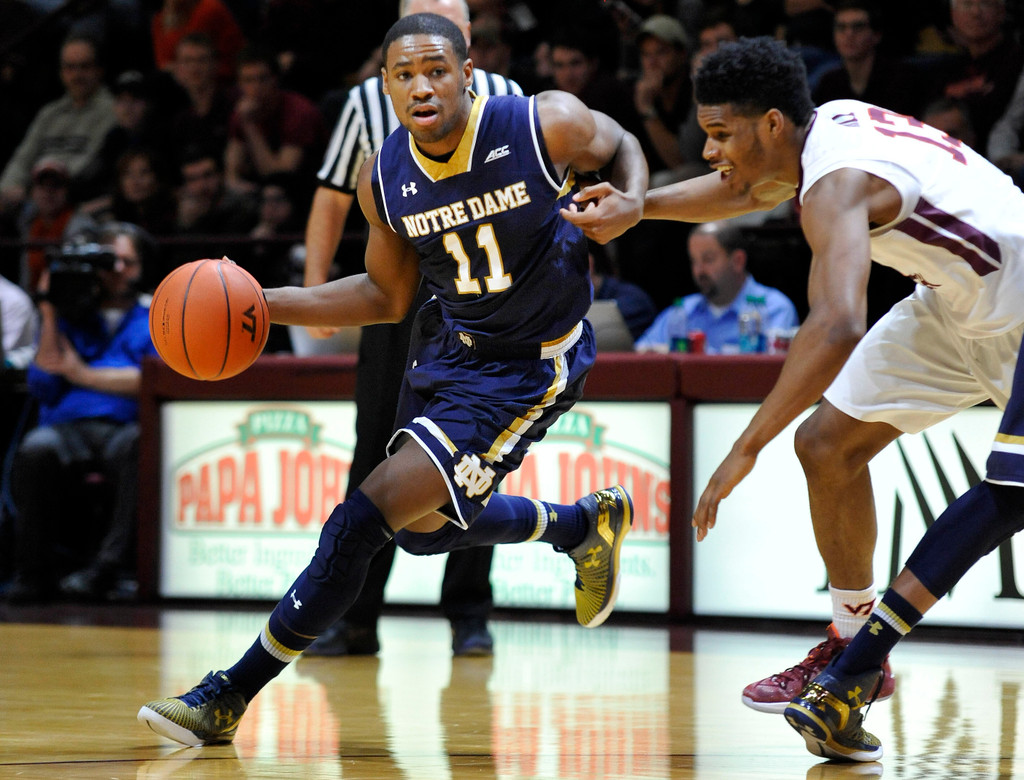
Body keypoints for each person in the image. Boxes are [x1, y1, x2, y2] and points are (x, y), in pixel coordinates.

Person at [137, 11, 645, 747]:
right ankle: (579, 525)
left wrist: (630, 196)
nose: (422, 87)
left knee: (363, 516)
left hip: (527, 367)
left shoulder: (545, 124)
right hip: (445, 349)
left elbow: (621, 141)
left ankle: (227, 694)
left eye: (437, 70)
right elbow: (385, 297)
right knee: (424, 536)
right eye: (404, 75)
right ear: (385, 86)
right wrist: (257, 304)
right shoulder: (383, 177)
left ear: (468, 75)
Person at [623, 34, 1024, 753]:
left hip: (1018, 301)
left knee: (1010, 491)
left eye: (720, 134)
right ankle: (849, 647)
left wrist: (745, 447)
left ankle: (855, 664)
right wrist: (637, 206)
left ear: (772, 124)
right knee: (826, 444)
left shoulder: (833, 180)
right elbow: (744, 187)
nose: (710, 151)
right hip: (954, 302)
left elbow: (838, 322)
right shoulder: (824, 124)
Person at [300, 0, 524, 659]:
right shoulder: (367, 101)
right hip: (399, 294)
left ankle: (469, 615)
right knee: (374, 451)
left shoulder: (509, 97)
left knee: (475, 458)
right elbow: (331, 194)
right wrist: (317, 289)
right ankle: (354, 617)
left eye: (446, 24)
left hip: (483, 300)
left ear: (469, 39)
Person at [4, 222, 157, 603]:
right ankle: (31, 573)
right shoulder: (70, 315)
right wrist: (50, 308)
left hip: (124, 427)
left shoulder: (155, 314)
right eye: (110, 261)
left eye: (129, 261)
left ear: (142, 266)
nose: (119, 270)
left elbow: (150, 380)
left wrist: (82, 374)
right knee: (37, 448)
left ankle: (106, 571)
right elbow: (43, 383)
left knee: (141, 447)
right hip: (65, 429)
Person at [634, 220, 798, 354]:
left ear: (737, 261)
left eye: (708, 259)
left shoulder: (774, 308)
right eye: (694, 261)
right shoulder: (682, 310)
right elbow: (639, 353)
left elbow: (774, 372)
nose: (699, 270)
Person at [0, 35, 115, 213]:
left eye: (84, 66)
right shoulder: (50, 112)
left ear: (99, 70)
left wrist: (41, 189)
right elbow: (22, 160)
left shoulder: (111, 110)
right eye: (70, 67)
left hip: (76, 199)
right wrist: (8, 189)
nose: (77, 75)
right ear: (61, 72)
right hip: (34, 198)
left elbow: (91, 164)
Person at [224, 45, 326, 198]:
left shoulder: (298, 112)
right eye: (248, 80)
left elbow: (279, 176)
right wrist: (235, 183)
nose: (255, 87)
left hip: (306, 192)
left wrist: (249, 125)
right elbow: (232, 170)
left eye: (262, 79)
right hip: (266, 193)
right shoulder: (244, 111)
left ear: (275, 79)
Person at [811, 0, 922, 119]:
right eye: (841, 27)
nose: (849, 34)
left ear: (876, 35)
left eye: (858, 27)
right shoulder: (829, 83)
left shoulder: (902, 78)